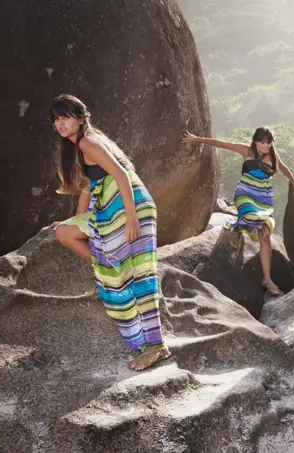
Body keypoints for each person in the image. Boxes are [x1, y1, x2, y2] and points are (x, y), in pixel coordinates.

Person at [47, 94, 171, 371]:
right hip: (109, 209)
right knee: (64, 234)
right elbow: (90, 188)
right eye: (56, 119)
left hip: (131, 208)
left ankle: (156, 346)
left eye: (65, 117)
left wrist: (131, 218)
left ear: (80, 118)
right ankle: (108, 267)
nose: (60, 123)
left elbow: (122, 174)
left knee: (140, 276)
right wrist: (73, 221)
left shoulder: (89, 141)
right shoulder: (82, 144)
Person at [182, 127, 294, 296]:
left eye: (268, 143)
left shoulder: (273, 156)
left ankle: (267, 279)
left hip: (263, 197)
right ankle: (242, 224)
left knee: (264, 233)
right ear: (255, 141)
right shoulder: (246, 150)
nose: (265, 146)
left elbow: (283, 168)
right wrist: (197, 139)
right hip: (246, 193)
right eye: (262, 142)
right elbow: (220, 143)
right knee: (249, 217)